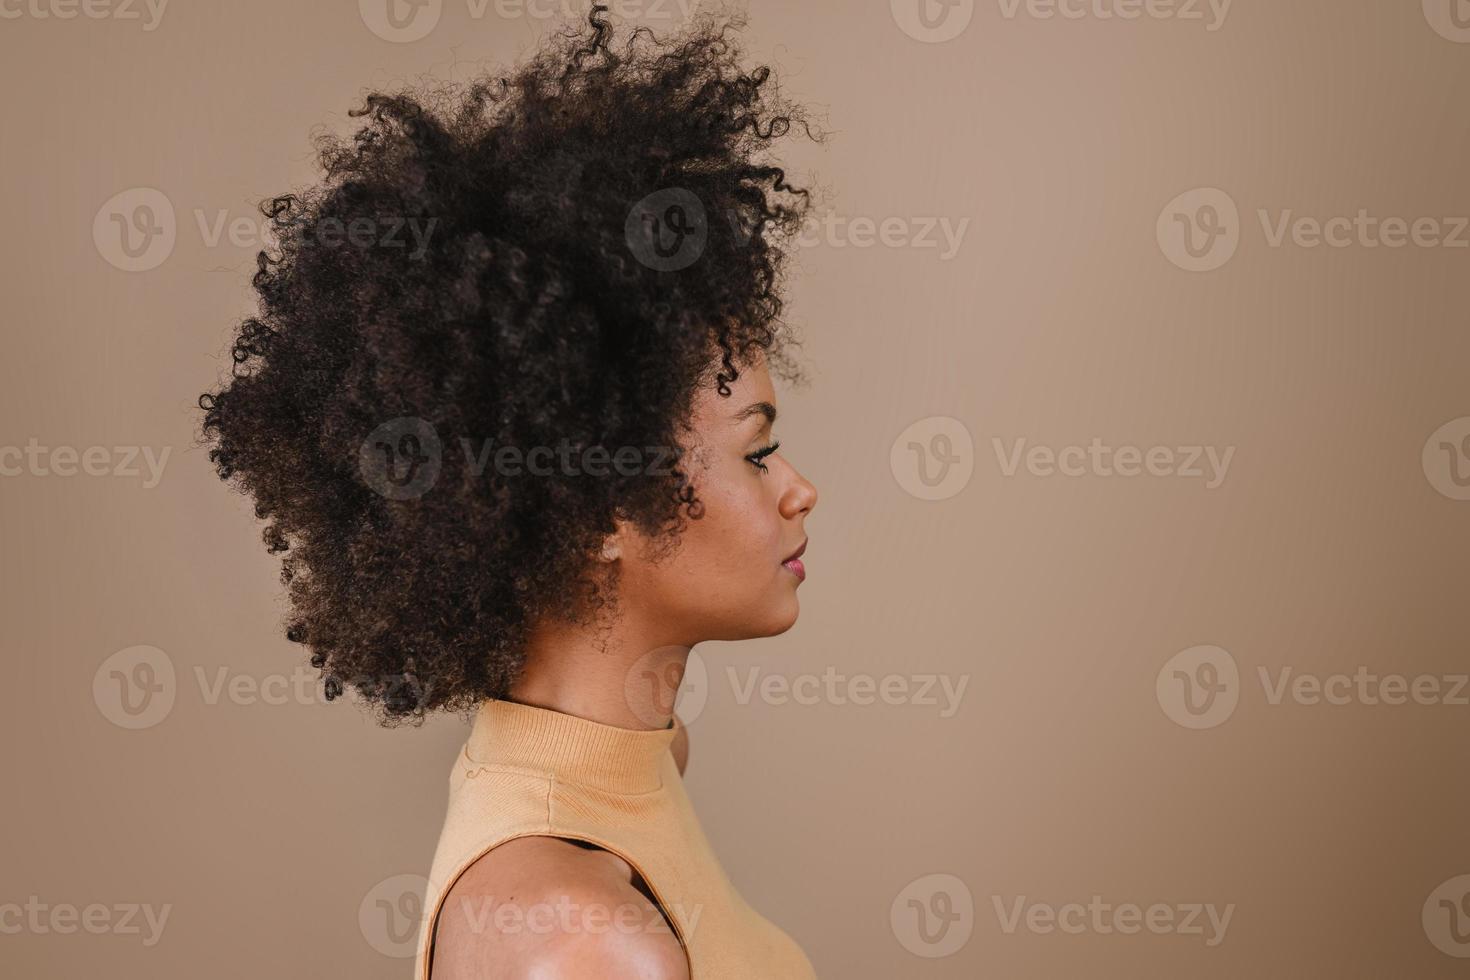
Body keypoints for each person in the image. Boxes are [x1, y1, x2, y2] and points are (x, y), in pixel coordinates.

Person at [198, 4, 821, 977]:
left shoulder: (619, 779)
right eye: (757, 451)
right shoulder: (583, 936)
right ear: (607, 506)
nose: (800, 489)